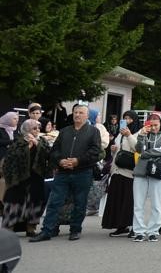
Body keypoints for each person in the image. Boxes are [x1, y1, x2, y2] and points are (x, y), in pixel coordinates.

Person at [30, 103, 102, 243]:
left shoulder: (93, 132)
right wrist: (60, 160)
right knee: (55, 201)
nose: (77, 115)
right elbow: (54, 150)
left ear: (87, 115)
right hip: (63, 172)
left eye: (81, 113)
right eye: (75, 112)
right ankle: (47, 230)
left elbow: (95, 152)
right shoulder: (64, 131)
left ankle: (75, 230)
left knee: (79, 203)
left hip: (82, 172)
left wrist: (77, 161)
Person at [2, 120, 52, 235]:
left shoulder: (42, 141)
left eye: (38, 128)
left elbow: (48, 155)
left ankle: (31, 228)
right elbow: (12, 158)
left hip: (36, 176)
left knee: (34, 201)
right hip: (19, 177)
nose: (37, 130)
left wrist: (37, 144)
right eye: (34, 128)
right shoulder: (18, 141)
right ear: (27, 129)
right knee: (15, 202)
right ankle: (9, 227)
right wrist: (28, 148)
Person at [130, 113, 161, 242]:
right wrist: (142, 136)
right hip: (140, 171)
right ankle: (139, 231)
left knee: (156, 203)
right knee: (138, 203)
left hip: (157, 171)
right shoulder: (143, 133)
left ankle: (153, 230)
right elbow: (138, 149)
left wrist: (147, 154)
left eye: (156, 125)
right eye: (151, 125)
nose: (154, 128)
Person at [101, 113, 138, 237]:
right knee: (117, 199)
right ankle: (120, 226)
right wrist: (113, 149)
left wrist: (129, 135)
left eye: (129, 118)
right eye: (125, 118)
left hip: (129, 172)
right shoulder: (119, 134)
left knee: (128, 200)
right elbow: (117, 150)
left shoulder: (139, 132)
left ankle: (132, 226)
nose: (127, 121)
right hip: (117, 170)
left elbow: (138, 148)